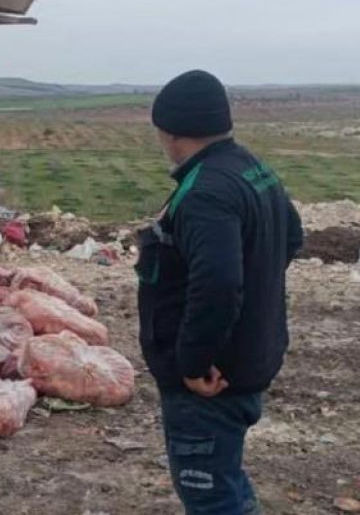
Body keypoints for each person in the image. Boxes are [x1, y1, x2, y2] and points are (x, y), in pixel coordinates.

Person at [137, 70, 304, 515]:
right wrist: (255, 293)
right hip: (248, 357)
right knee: (225, 479)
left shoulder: (204, 194)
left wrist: (194, 362)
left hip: (211, 380)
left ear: (171, 132)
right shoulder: (252, 168)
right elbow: (291, 236)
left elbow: (218, 283)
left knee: (210, 495)